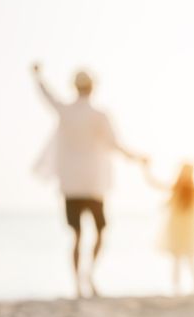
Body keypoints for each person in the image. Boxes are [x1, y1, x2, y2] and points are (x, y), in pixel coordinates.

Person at [32, 63, 148, 298]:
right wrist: (135, 157)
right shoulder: (99, 115)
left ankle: (78, 283)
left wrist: (38, 76)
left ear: (75, 87)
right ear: (93, 88)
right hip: (94, 184)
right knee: (100, 232)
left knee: (76, 235)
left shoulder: (67, 111)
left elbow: (48, 96)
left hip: (71, 185)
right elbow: (115, 144)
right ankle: (89, 275)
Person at [142, 162, 194, 295]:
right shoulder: (175, 188)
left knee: (190, 257)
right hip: (176, 227)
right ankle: (177, 288)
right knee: (177, 258)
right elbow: (155, 183)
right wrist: (145, 169)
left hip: (189, 228)